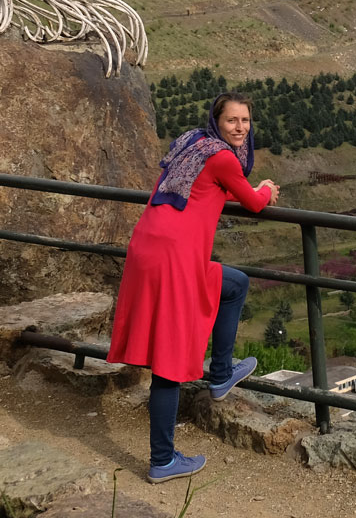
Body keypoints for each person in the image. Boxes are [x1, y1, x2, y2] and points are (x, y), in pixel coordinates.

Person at [109, 91, 280, 482]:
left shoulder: (192, 142)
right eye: (232, 121)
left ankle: (221, 374)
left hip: (149, 247)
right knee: (168, 360)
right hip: (174, 259)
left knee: (234, 283)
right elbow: (254, 202)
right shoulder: (221, 157)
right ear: (216, 123)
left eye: (245, 121)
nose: (240, 128)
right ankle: (163, 460)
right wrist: (269, 190)